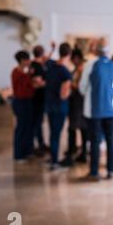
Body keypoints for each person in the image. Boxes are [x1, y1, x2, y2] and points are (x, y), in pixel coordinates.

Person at [80, 45, 113, 181]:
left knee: (95, 140)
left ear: (96, 52)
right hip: (112, 109)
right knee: (111, 139)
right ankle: (111, 170)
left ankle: (94, 172)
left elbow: (82, 87)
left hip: (96, 109)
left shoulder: (90, 64)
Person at [45, 43, 72, 171]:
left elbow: (45, 59)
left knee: (52, 134)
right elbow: (64, 95)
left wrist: (52, 49)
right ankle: (54, 162)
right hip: (60, 107)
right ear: (69, 54)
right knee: (56, 134)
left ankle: (52, 158)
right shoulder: (65, 72)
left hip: (49, 105)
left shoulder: (51, 66)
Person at [60, 48, 88, 167]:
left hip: (79, 103)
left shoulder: (82, 69)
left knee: (76, 129)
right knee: (80, 129)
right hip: (77, 102)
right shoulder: (79, 68)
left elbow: (81, 86)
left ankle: (74, 153)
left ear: (76, 58)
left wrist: (70, 84)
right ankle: (79, 152)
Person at [11, 51, 35, 162]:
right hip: (20, 102)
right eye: (27, 59)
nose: (29, 61)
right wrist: (30, 75)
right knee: (21, 128)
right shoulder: (17, 73)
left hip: (27, 101)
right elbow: (26, 86)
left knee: (28, 127)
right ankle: (18, 155)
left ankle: (26, 151)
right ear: (22, 60)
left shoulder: (24, 73)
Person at [30, 44, 54, 155]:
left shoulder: (37, 64)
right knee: (37, 123)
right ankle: (36, 146)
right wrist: (49, 82)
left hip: (39, 98)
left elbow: (47, 58)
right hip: (37, 99)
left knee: (39, 122)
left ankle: (41, 143)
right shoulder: (37, 66)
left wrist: (52, 49)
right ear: (41, 54)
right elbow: (36, 83)